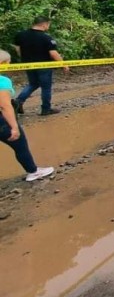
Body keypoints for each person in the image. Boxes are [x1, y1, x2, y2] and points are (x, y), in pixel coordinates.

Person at [0, 50, 54, 181]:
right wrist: (14, 127)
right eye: (8, 62)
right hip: (1, 122)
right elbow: (4, 106)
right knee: (20, 145)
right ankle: (33, 171)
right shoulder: (3, 81)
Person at [12, 16, 68, 116]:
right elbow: (53, 53)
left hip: (28, 64)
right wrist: (63, 64)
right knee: (46, 87)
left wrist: (25, 58)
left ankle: (18, 102)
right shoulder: (46, 38)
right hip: (44, 65)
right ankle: (46, 109)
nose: (48, 26)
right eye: (48, 24)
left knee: (33, 84)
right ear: (44, 24)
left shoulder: (20, 35)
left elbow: (18, 49)